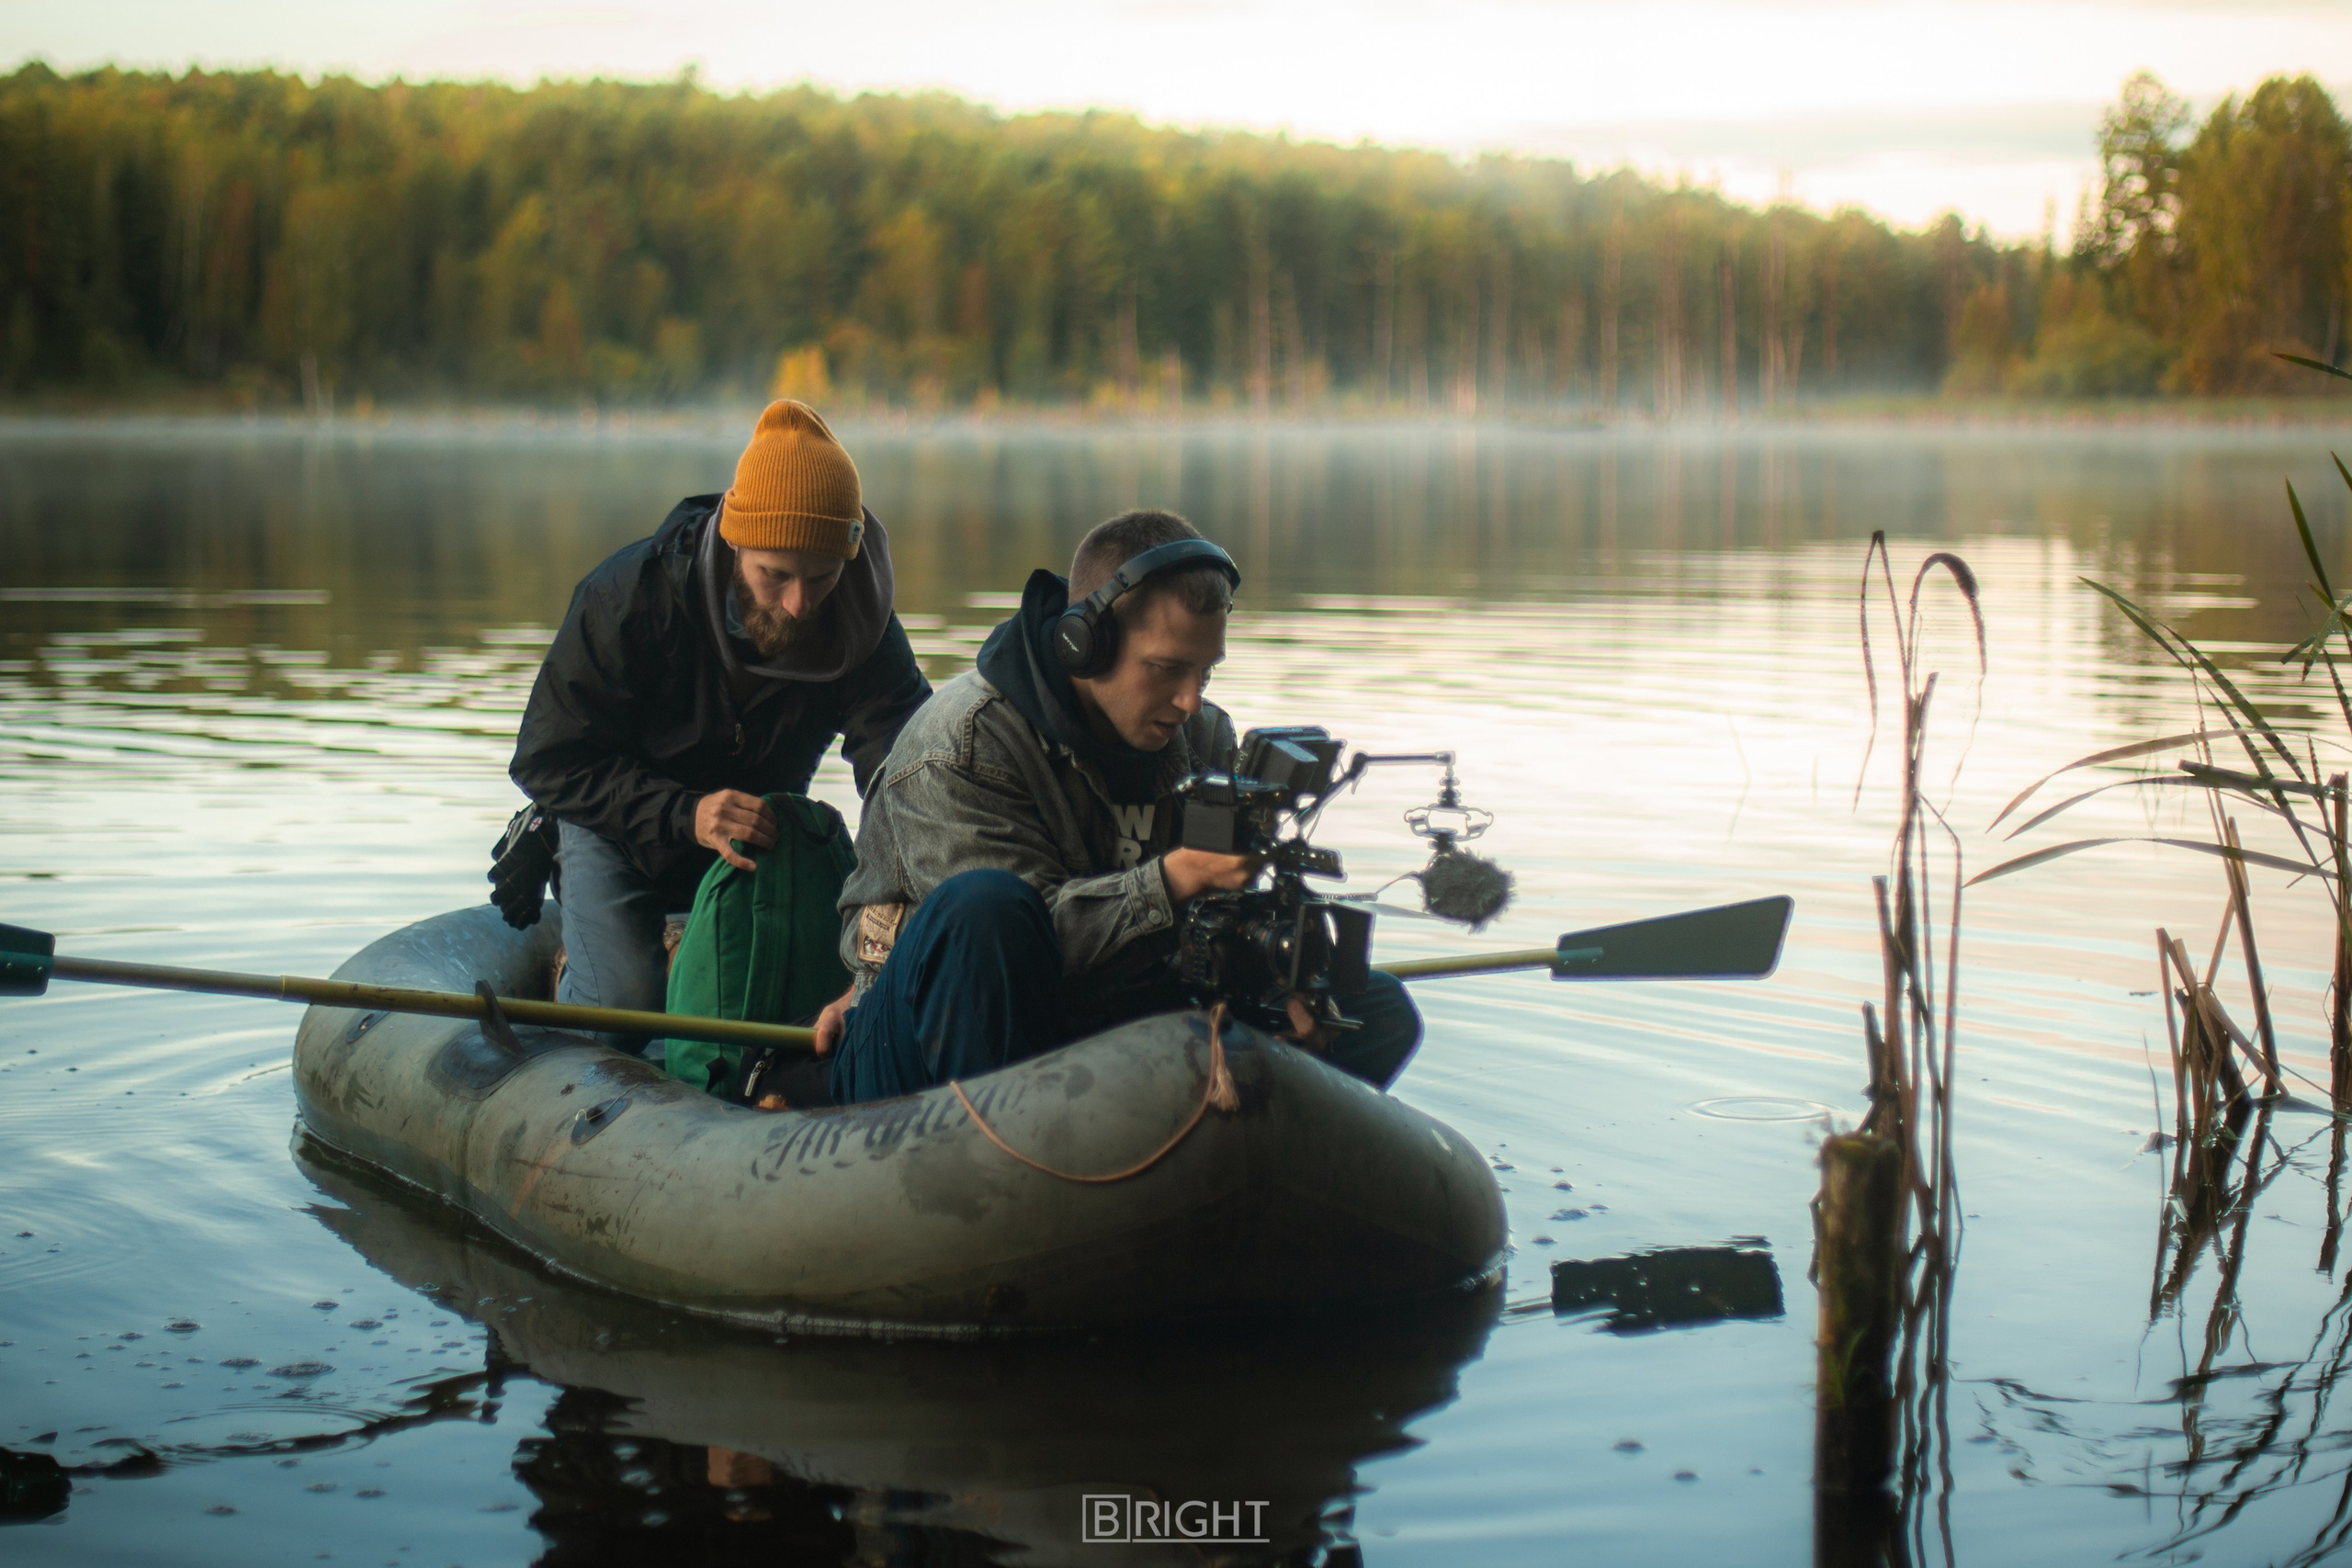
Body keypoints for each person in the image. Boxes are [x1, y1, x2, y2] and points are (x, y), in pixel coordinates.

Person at [820, 508, 1422, 1104]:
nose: (1189, 700)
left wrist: (1288, 980)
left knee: (1378, 1010)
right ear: (1086, 644)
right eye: (1166, 670)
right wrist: (1172, 882)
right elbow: (1012, 947)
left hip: (1111, 1007)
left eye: (1205, 673)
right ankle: (1011, 1174)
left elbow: (1222, 921)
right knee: (988, 904)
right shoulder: (961, 747)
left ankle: (1237, 1174)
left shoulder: (1202, 736)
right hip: (930, 1033)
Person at [508, 400, 930, 1048]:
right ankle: (555, 877)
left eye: (819, 578)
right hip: (620, 829)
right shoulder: (628, 598)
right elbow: (546, 760)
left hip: (758, 839)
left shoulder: (859, 621)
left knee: (802, 1003)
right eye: (775, 575)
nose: (797, 604)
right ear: (735, 541)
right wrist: (686, 813)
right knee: (627, 1006)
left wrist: (895, 900)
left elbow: (906, 773)